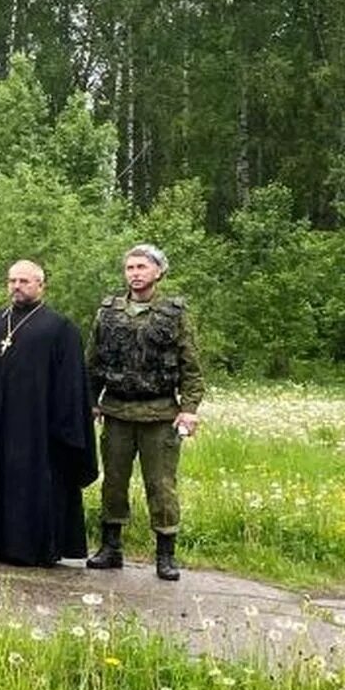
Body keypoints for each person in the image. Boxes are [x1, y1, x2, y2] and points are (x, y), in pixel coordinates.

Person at [0, 261, 96, 567]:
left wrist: (64, 429)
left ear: (40, 285)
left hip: (40, 431)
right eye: (12, 280)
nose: (16, 286)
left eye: (24, 280)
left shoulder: (60, 328)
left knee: (37, 485)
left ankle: (36, 548)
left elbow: (71, 385)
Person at [86, 244, 206, 581]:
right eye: (130, 268)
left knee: (162, 485)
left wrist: (189, 409)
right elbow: (92, 363)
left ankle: (165, 554)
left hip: (160, 415)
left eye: (141, 267)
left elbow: (191, 366)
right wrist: (91, 401)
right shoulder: (107, 312)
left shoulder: (174, 313)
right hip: (117, 412)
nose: (135, 274)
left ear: (158, 272)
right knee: (113, 483)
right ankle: (111, 548)